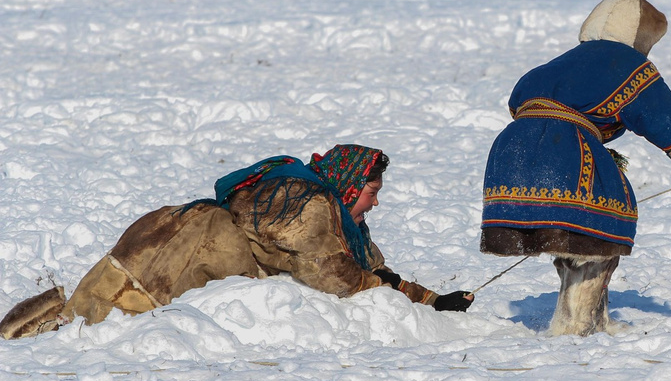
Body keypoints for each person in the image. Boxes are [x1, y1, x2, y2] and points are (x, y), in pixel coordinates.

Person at [1, 144, 473, 340]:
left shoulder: (331, 211)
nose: (374, 204)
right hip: (176, 257)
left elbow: (371, 268)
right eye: (372, 193)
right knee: (89, 325)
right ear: (351, 187)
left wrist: (431, 299)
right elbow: (335, 275)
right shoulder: (311, 206)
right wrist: (400, 298)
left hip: (170, 238)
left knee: (84, 316)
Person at [480, 0, 671, 336]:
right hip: (565, 151)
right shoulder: (627, 64)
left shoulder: (552, 65)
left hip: (511, 152)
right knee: (599, 229)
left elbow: (518, 104)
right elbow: (661, 119)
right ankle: (574, 326)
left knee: (573, 236)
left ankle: (594, 317)